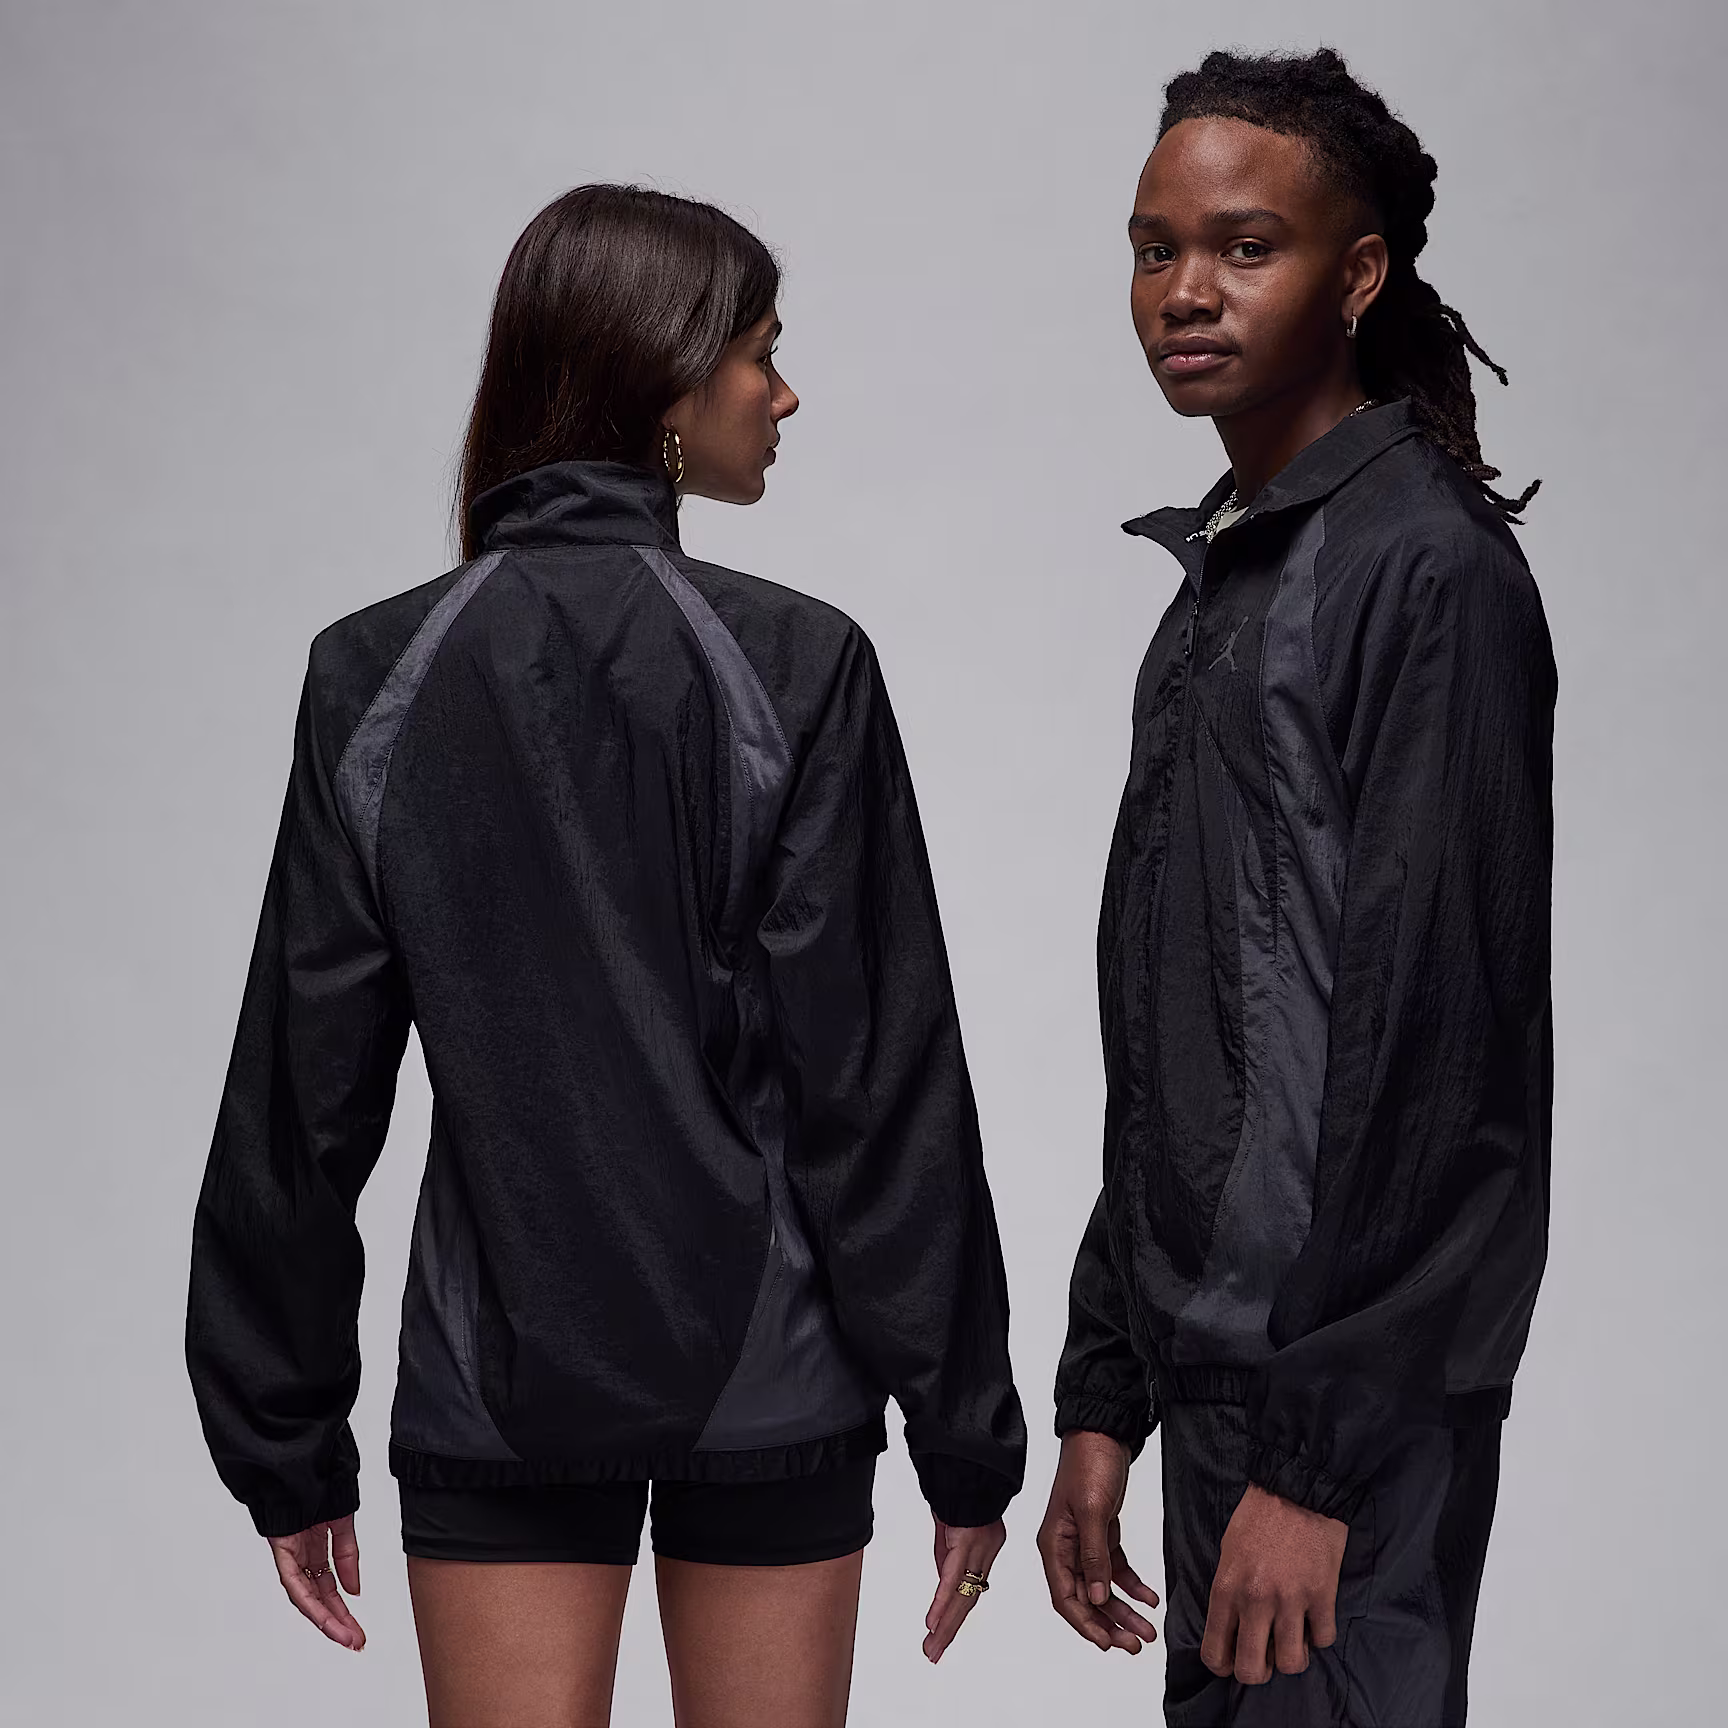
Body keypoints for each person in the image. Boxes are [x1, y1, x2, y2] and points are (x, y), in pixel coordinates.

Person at [186, 184, 1025, 1728]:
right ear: (665, 382)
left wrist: (282, 1443)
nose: (784, 395)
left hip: (495, 1378)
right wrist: (967, 1436)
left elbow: (299, 1101)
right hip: (772, 1377)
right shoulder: (797, 665)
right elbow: (878, 1092)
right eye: (761, 354)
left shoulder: (377, 673)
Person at [1035, 49, 1554, 1726]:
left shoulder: (1426, 572)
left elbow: (1443, 1057)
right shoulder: (1231, 576)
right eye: (1154, 248)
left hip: (1341, 1422)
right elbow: (1178, 1038)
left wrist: (1322, 1464)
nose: (1184, 291)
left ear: (1358, 273)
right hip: (1220, 1395)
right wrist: (1106, 1391)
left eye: (1245, 247)